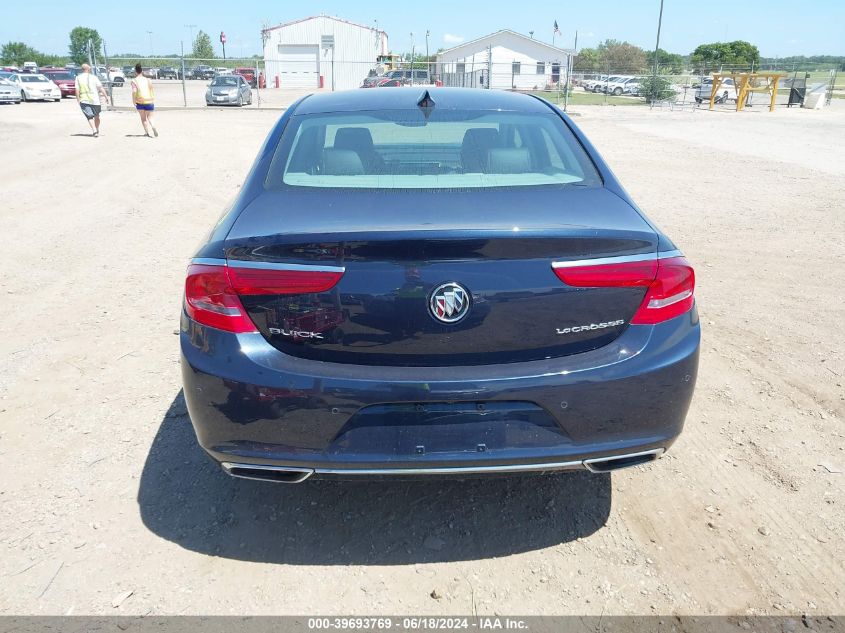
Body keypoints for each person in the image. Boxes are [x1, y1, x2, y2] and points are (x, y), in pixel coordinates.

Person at [74, 64, 109, 137]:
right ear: (88, 69)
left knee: (89, 116)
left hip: (84, 99)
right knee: (96, 116)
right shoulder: (94, 77)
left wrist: (78, 99)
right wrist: (106, 96)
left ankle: (94, 130)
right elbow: (100, 87)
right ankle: (96, 129)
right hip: (95, 100)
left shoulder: (78, 78)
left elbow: (77, 89)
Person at [131, 63, 157, 137]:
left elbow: (134, 91)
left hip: (140, 102)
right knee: (150, 117)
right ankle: (153, 126)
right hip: (149, 101)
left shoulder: (134, 81)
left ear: (135, 72)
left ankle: (146, 133)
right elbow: (151, 89)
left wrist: (133, 100)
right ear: (142, 71)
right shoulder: (148, 80)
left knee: (143, 118)